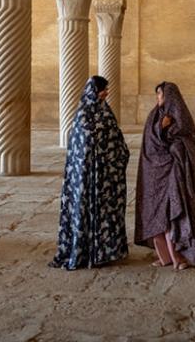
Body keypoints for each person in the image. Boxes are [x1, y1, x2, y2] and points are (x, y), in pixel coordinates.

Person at [49, 76, 130, 270]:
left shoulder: (105, 111)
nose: (106, 93)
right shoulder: (83, 115)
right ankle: (84, 251)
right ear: (93, 91)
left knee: (107, 211)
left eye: (106, 89)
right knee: (84, 209)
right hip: (86, 177)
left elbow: (115, 136)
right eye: (103, 89)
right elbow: (82, 146)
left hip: (106, 177)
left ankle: (106, 251)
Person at [134, 81, 195, 270]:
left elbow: (187, 142)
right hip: (154, 173)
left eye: (161, 94)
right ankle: (165, 256)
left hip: (175, 172)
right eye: (157, 94)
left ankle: (181, 257)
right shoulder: (154, 116)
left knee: (174, 213)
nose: (158, 98)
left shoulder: (181, 117)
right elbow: (150, 143)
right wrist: (160, 127)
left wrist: (172, 140)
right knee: (155, 214)